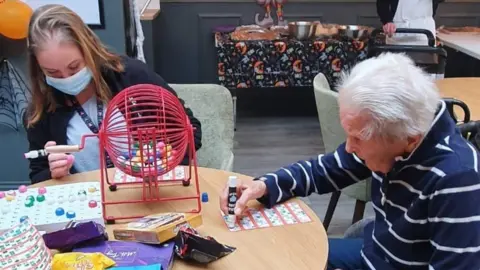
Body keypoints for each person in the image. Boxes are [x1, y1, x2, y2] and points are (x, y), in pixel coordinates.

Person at [220, 53, 480, 270]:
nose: (348, 147)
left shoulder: (457, 179)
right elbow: (324, 170)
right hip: (376, 253)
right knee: (286, 256)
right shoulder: (396, 136)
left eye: (356, 138)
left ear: (408, 139)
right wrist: (263, 186)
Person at [24, 4, 202, 184]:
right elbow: (38, 175)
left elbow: (191, 130)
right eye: (53, 73)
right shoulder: (40, 111)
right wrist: (54, 173)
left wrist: (165, 157)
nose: (67, 78)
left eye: (74, 67)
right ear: (39, 69)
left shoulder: (132, 76)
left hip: (149, 195)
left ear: (89, 50)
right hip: (87, 202)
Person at [376, 0, 443, 45]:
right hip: (397, 31)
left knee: (424, 64)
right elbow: (382, 3)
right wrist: (387, 21)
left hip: (425, 33)